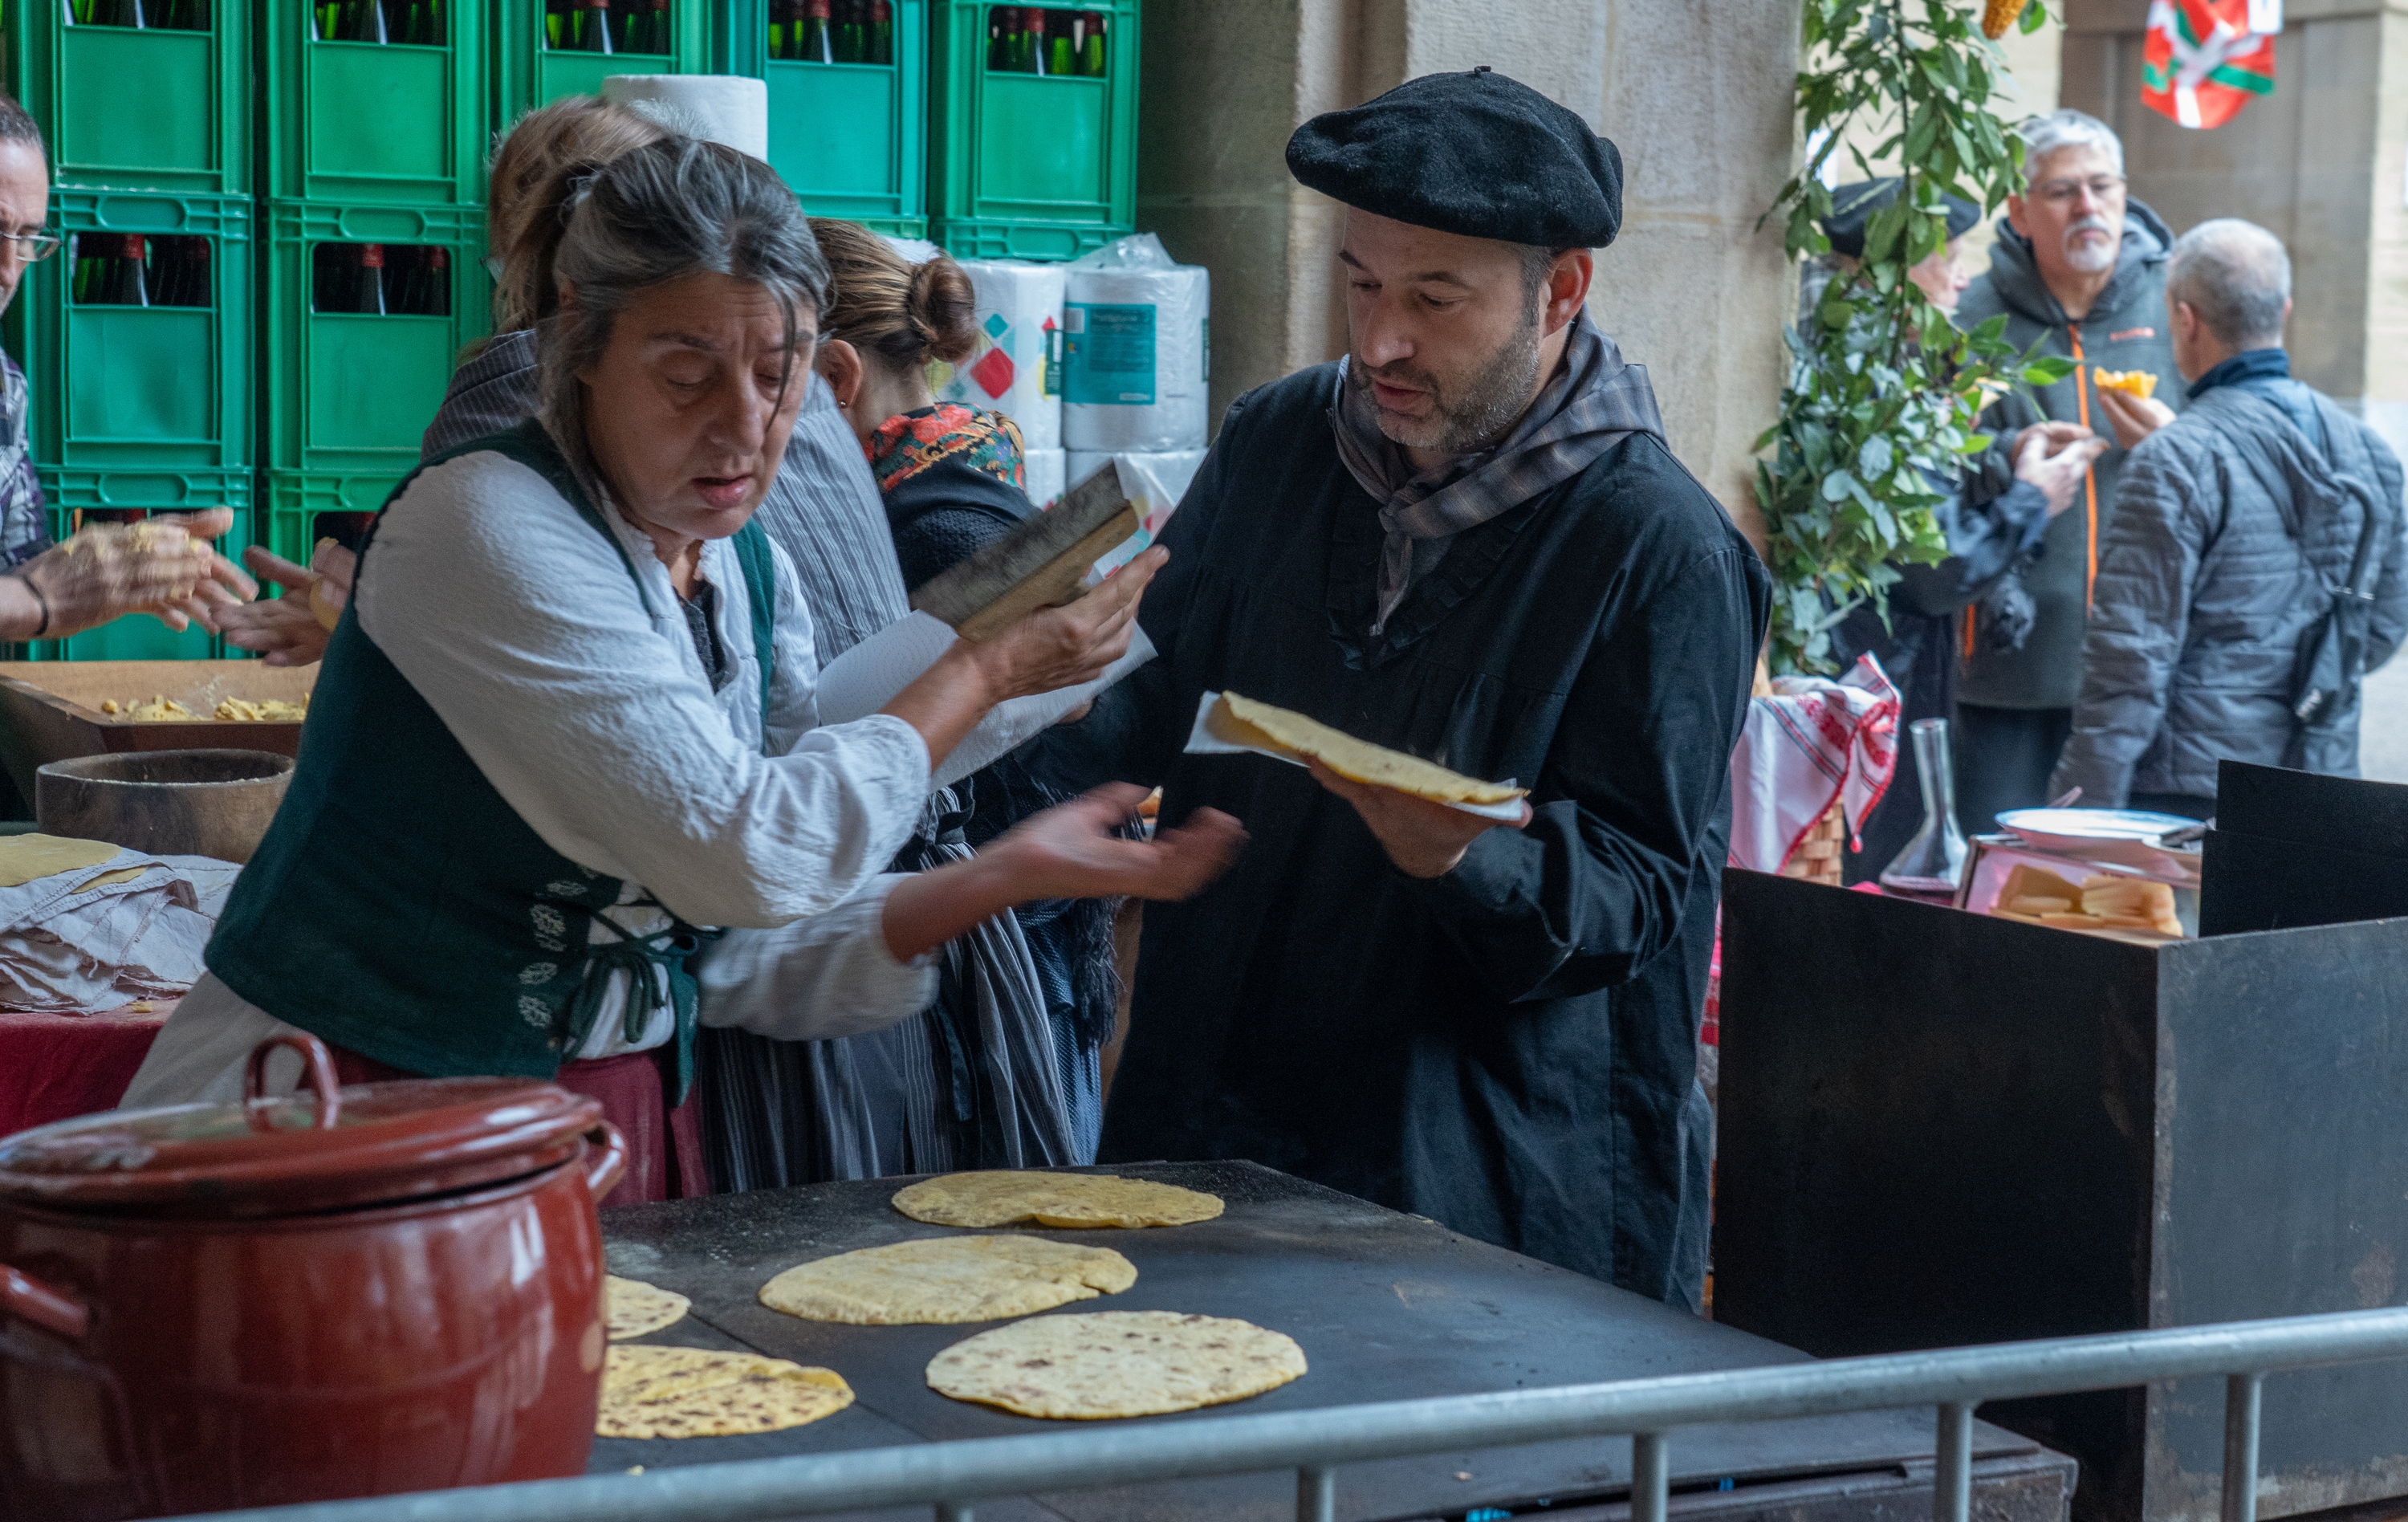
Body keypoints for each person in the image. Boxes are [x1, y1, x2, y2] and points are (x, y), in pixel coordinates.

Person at [119, 139, 1242, 1205]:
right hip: (346, 1116)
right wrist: (982, 672)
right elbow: (744, 851)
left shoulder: (742, 567)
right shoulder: (484, 524)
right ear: (582, 338)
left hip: (597, 1123)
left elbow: (731, 943)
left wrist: (1007, 872)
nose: (743, 429)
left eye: (778, 373)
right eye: (686, 374)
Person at [1031, 69, 1768, 1306]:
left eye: (1435, 298)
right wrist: (1029, 693)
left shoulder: (1659, 547)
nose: (1381, 341)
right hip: (1218, 1128)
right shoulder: (1278, 443)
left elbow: (1638, 901)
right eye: (1362, 283)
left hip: (1484, 1190)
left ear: (1563, 291)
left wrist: (1465, 858)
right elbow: (1140, 722)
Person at [807, 218, 1123, 1161]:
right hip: (990, 922)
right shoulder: (976, 472)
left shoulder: (937, 525)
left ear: (832, 378)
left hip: (1003, 947)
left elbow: (1055, 710)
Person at [2050, 221, 2408, 816]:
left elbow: (2129, 660)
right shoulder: (2372, 452)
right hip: (2322, 781)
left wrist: (2078, 806)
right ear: (2284, 309)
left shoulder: (2173, 459)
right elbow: (2384, 626)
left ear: (2185, 320)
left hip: (2188, 790)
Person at [1812, 180, 2108, 878]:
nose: (1963, 274)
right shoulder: (1871, 384)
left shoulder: (1866, 367)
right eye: (1945, 255)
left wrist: (2005, 453)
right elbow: (1936, 568)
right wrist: (2033, 500)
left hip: (1887, 677)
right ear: (1893, 269)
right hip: (1874, 680)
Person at [1951, 109, 2185, 831]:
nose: (2088, 207)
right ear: (2019, 212)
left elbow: (2235, 443)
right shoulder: (1967, 314)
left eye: (2101, 187)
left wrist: (2181, 447)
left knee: (2125, 898)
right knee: (1998, 890)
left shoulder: (2179, 299)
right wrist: (2005, 458)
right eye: (2061, 192)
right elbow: (1927, 465)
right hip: (2006, 670)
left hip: (2147, 667)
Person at [0, 92, 251, 654]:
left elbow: (18, 572)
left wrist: (121, 563)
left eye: (26, 238)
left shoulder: (4, 386)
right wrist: (39, 602)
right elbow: (26, 596)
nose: (7, 268)